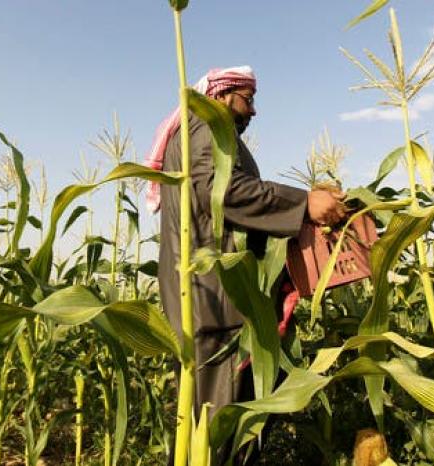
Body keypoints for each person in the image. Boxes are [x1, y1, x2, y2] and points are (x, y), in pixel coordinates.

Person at [145, 66, 346, 462]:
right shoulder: (203, 127)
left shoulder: (212, 135)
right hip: (215, 303)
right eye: (247, 99)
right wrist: (302, 202)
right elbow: (220, 193)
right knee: (220, 431)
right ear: (220, 96)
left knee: (223, 427)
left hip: (219, 300)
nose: (253, 111)